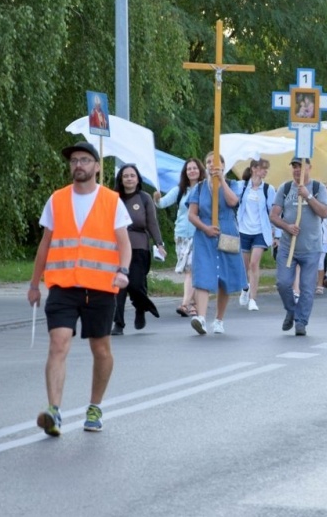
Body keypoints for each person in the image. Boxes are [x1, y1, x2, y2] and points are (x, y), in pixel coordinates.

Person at [28, 141, 132, 436]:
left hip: (101, 287)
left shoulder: (111, 200)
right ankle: (54, 412)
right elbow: (45, 245)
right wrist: (34, 284)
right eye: (74, 160)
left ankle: (95, 407)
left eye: (85, 160)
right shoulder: (57, 199)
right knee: (58, 343)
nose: (78, 165)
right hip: (63, 286)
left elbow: (124, 245)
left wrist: (123, 271)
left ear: (97, 167)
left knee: (100, 348)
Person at [187, 153, 247, 335]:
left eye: (216, 164)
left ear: (223, 165)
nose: (211, 167)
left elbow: (233, 202)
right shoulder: (198, 188)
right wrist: (205, 228)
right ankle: (202, 318)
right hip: (205, 234)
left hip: (226, 232)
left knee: (225, 277)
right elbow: (192, 214)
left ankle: (219, 320)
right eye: (208, 163)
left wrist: (221, 179)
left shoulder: (233, 185)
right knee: (204, 273)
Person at [270, 158, 327, 336]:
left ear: (309, 168)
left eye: (301, 167)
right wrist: (287, 227)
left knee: (306, 287)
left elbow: (325, 213)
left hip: (311, 248)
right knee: (282, 283)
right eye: (295, 167)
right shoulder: (285, 188)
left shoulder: (318, 188)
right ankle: (291, 310)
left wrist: (308, 196)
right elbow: (273, 215)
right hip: (288, 247)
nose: (297, 170)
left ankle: (301, 322)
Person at [111, 164, 166, 335]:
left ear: (137, 179)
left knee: (135, 284)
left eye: (132, 176)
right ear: (120, 178)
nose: (128, 178)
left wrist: (159, 243)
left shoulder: (144, 198)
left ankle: (140, 307)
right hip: (116, 248)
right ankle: (118, 324)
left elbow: (152, 223)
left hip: (139, 247)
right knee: (118, 288)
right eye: (125, 176)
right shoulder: (113, 198)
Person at [154, 157, 205, 316]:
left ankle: (184, 304)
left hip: (200, 233)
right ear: (185, 172)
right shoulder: (179, 190)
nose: (192, 171)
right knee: (191, 271)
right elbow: (161, 204)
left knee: (191, 269)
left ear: (200, 170)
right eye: (189, 169)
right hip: (182, 234)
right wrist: (156, 198)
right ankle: (195, 306)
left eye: (195, 168)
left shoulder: (206, 189)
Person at [234, 159, 277, 311]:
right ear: (254, 169)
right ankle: (245, 288)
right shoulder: (242, 186)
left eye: (267, 168)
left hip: (261, 231)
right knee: (244, 266)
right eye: (263, 168)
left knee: (254, 264)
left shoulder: (268, 189)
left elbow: (274, 212)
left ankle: (253, 299)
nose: (265, 171)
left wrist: (276, 233)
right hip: (244, 230)